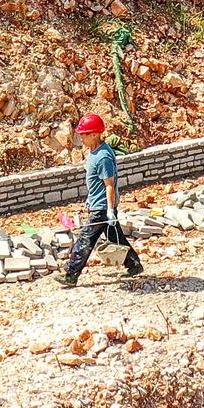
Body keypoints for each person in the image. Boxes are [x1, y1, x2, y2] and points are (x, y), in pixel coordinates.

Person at [55, 114, 143, 286]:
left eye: (84, 135)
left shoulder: (103, 157)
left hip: (102, 207)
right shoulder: (95, 151)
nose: (81, 138)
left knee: (85, 239)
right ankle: (134, 265)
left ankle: (71, 274)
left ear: (94, 134)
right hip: (99, 204)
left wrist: (110, 211)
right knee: (115, 237)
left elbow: (109, 185)